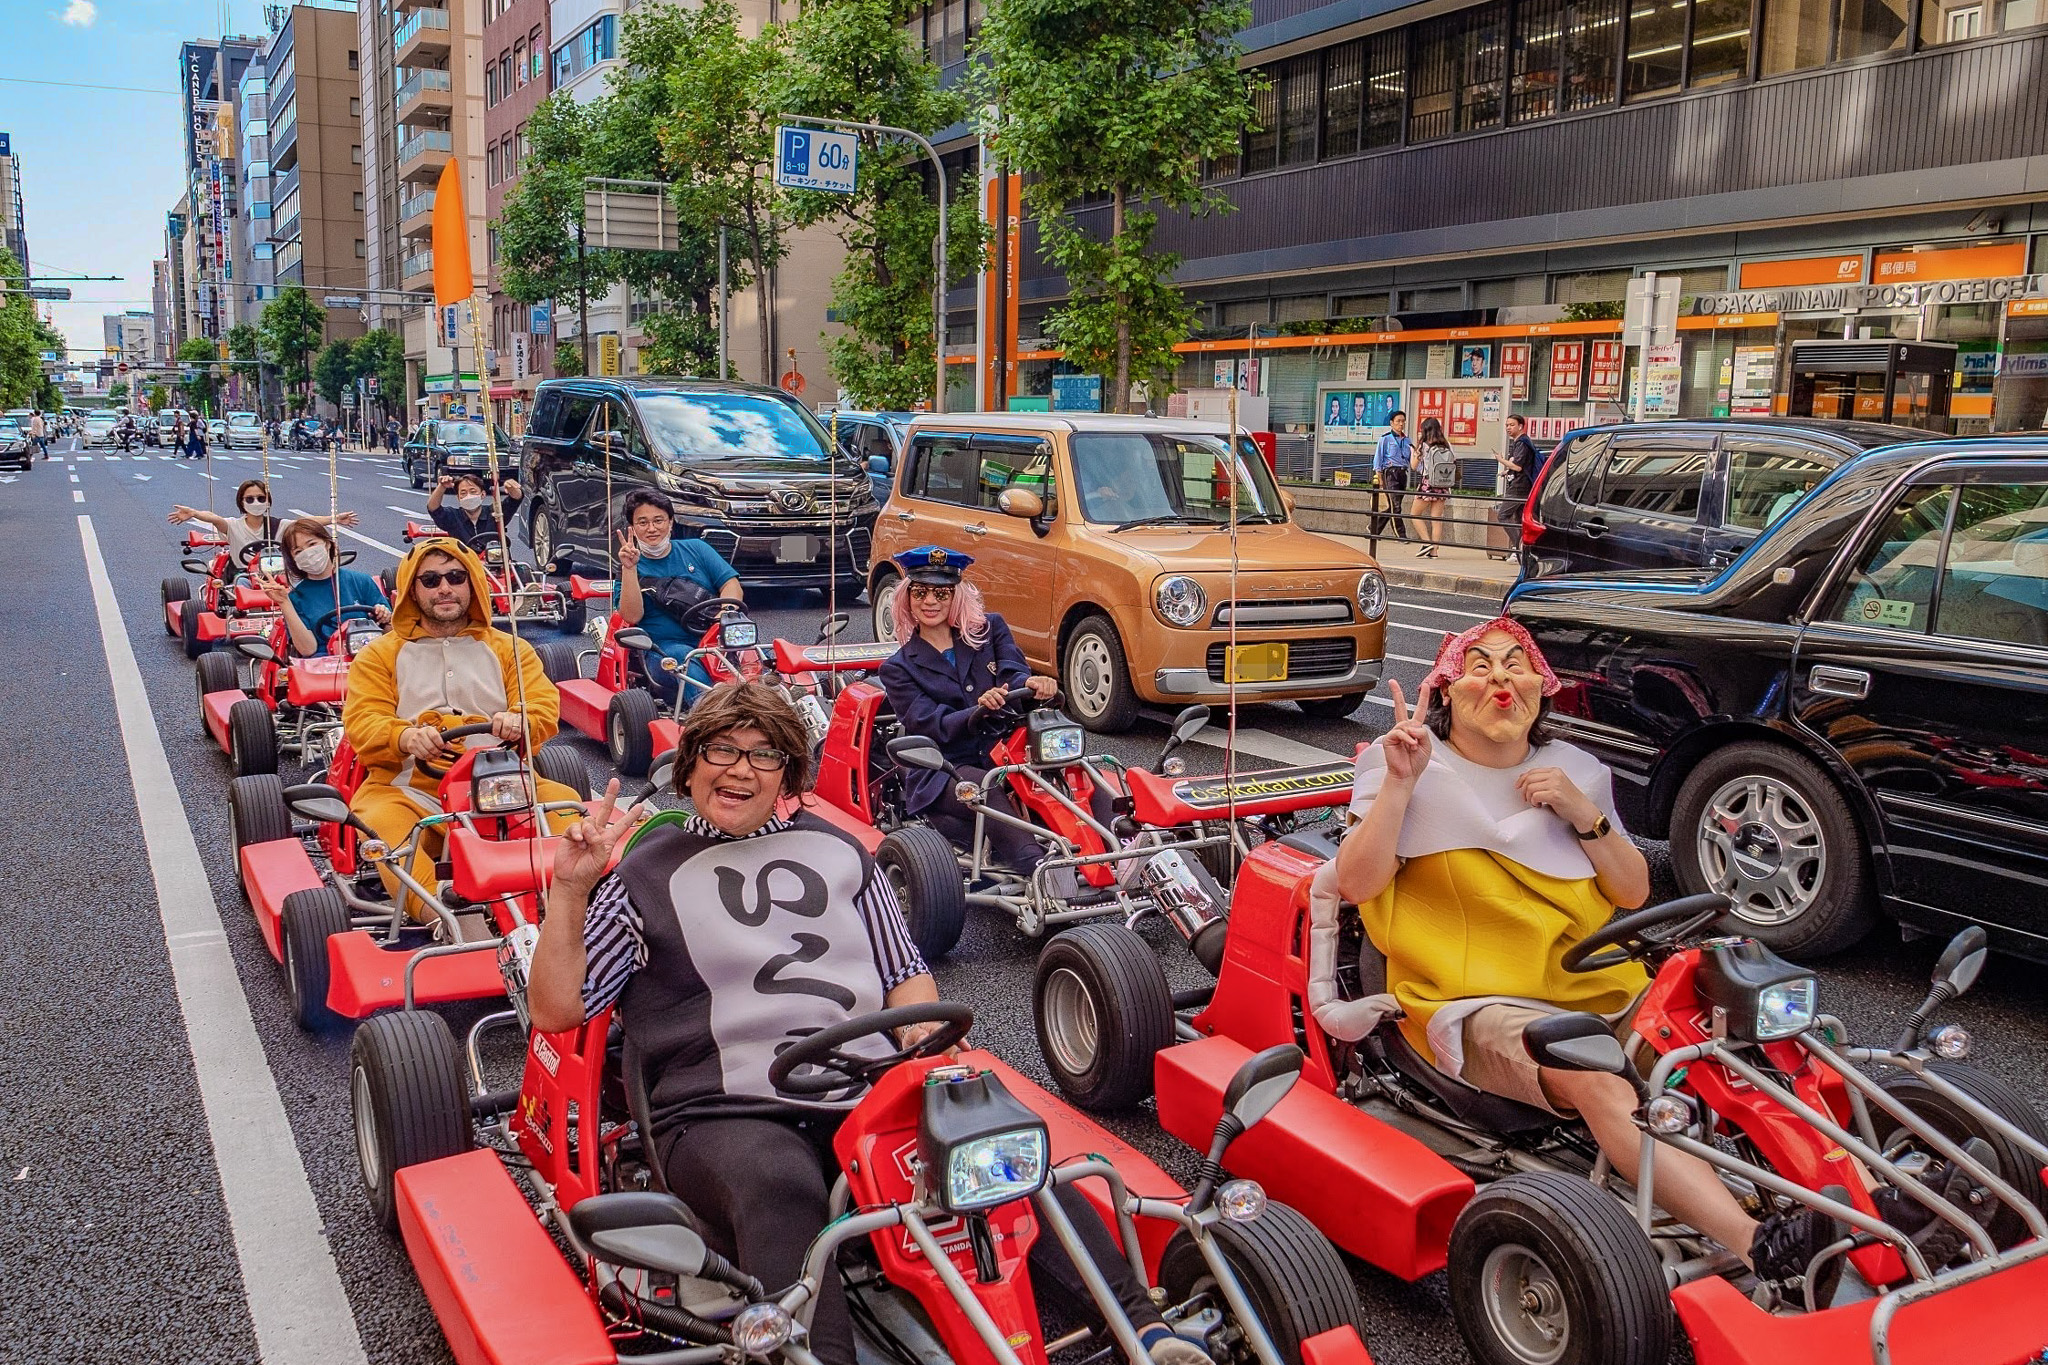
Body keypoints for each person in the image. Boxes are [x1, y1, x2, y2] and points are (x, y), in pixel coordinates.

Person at [527, 682, 1211, 1365]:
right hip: (722, 1107)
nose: (739, 769)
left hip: (864, 1083)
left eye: (763, 754)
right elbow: (558, 1009)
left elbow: (903, 969)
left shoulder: (842, 852)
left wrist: (917, 1039)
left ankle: (1145, 1329)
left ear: (789, 773)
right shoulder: (640, 876)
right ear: (690, 763)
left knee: (1000, 1152)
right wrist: (570, 889)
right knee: (780, 1186)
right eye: (721, 749)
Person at [1330, 619, 1878, 1301]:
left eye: (1515, 663)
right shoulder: (1404, 761)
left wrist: (1583, 813)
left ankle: (1876, 1207)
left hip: (1596, 977)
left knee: (1746, 1049)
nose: (1500, 677)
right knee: (1598, 1080)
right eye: (1478, 665)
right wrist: (1401, 787)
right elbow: (1354, 884)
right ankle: (1759, 1245)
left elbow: (1631, 890)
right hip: (1466, 999)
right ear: (1444, 688)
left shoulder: (1574, 771)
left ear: (1539, 688)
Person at [340, 537, 581, 916]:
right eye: (431, 580)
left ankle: (572, 909)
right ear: (412, 591)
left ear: (473, 584)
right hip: (410, 790)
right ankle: (442, 916)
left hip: (505, 786)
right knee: (381, 825)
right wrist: (404, 736)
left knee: (572, 819)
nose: (445, 588)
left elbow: (542, 704)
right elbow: (363, 719)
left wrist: (522, 719)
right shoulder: (379, 655)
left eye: (456, 576)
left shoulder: (509, 648)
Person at [878, 547, 1111, 882]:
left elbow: (1012, 673)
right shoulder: (898, 668)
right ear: (907, 598)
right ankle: (1040, 872)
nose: (930, 601)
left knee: (1079, 774)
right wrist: (977, 709)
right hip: (946, 765)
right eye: (920, 592)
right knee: (984, 786)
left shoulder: (990, 629)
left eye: (941, 593)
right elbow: (930, 723)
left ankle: (1121, 847)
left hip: (1009, 750)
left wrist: (1031, 682)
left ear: (955, 596)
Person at [614, 489, 743, 707]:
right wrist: (629, 569)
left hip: (716, 639)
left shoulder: (697, 549)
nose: (652, 529)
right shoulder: (630, 567)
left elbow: (731, 585)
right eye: (643, 523)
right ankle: (715, 712)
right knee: (686, 658)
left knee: (762, 654)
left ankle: (782, 704)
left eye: (658, 520)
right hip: (665, 650)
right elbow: (631, 615)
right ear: (633, 528)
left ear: (671, 522)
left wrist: (725, 613)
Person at [253, 517, 391, 657]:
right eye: (298, 552)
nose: (307, 553)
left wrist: (385, 617)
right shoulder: (296, 597)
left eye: (312, 544)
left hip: (370, 657)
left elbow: (392, 633)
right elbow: (307, 649)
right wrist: (284, 603)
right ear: (294, 560)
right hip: (322, 666)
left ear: (327, 543)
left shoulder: (361, 581)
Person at [167, 482, 357, 560]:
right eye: (250, 499)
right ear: (241, 502)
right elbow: (214, 518)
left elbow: (305, 522)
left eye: (260, 498)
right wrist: (193, 513)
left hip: (276, 576)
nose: (256, 502)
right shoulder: (233, 526)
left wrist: (334, 519)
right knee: (242, 583)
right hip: (243, 577)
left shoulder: (279, 526)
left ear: (268, 502)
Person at [427, 471, 523, 551]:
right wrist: (441, 487)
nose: (468, 496)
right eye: (463, 493)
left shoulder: (495, 513)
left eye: (473, 492)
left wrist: (511, 488)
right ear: (458, 497)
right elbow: (433, 508)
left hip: (494, 563)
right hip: (464, 564)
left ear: (482, 495)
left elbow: (515, 499)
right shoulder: (453, 516)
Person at [1490, 414, 1539, 560]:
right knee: (1519, 519)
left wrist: (1501, 460)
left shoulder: (1522, 443)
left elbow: (1518, 467)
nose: (1508, 428)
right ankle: (1521, 550)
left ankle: (1519, 547)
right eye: (1507, 425)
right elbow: (1522, 467)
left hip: (1519, 487)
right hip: (1522, 484)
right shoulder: (1519, 442)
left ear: (1520, 426)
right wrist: (1507, 471)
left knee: (1503, 515)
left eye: (1511, 425)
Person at [1409, 415, 1453, 559]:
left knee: (1414, 514)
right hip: (1442, 484)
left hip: (1428, 483)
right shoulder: (1446, 445)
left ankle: (1427, 542)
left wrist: (1412, 453)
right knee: (1436, 518)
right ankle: (1434, 551)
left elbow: (1413, 466)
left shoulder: (1424, 445)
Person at [1368, 409, 1411, 542]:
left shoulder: (1407, 440)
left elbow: (1411, 458)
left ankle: (1373, 529)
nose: (1401, 424)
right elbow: (1378, 459)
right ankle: (1401, 535)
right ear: (1392, 423)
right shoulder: (1385, 439)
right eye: (1398, 421)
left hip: (1402, 473)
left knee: (1392, 505)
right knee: (1396, 505)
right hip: (1390, 473)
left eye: (1403, 421)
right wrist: (1379, 477)